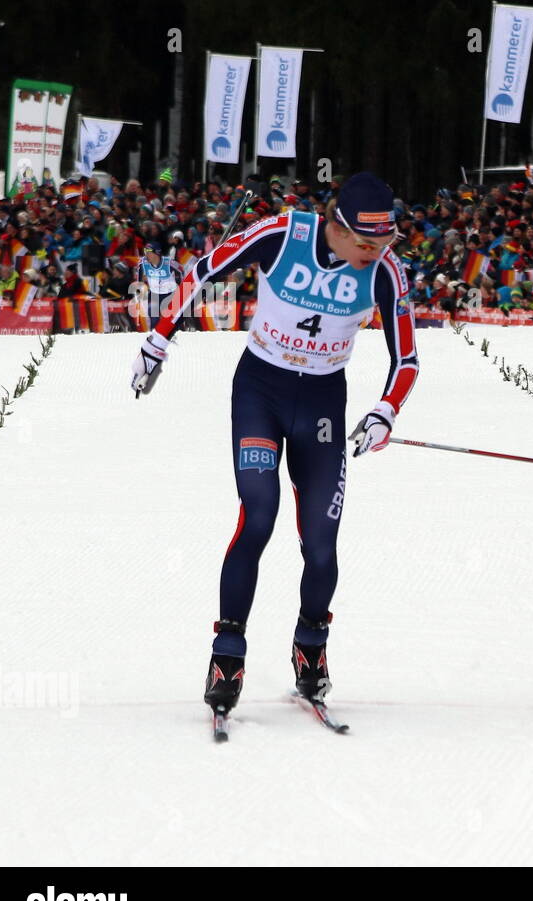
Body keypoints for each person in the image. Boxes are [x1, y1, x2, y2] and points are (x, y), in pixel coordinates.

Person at [128, 171, 420, 725]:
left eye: (385, 244)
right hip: (260, 391)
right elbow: (204, 271)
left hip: (322, 406)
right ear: (338, 227)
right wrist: (158, 338)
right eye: (366, 243)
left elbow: (406, 360)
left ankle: (311, 644)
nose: (375, 254)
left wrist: (386, 410)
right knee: (259, 516)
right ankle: (227, 658)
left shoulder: (386, 272)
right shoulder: (282, 233)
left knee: (321, 544)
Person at [136, 240, 181, 327]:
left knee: (171, 320)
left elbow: (181, 271)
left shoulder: (168, 263)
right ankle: (154, 337)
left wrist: (180, 287)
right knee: (153, 318)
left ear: (157, 253)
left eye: (149, 252)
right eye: (145, 252)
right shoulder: (143, 263)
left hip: (169, 294)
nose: (146, 255)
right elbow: (139, 280)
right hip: (154, 294)